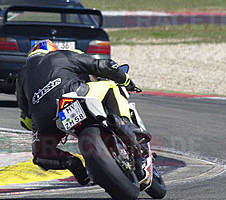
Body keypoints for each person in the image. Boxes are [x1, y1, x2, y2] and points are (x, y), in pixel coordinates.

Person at [16, 39, 140, 185]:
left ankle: (73, 164)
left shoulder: (22, 74)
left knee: (41, 153)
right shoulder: (61, 55)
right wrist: (125, 80)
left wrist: (37, 127)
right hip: (73, 95)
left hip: (46, 119)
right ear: (52, 49)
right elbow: (102, 66)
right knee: (111, 86)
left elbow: (25, 115)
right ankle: (125, 123)